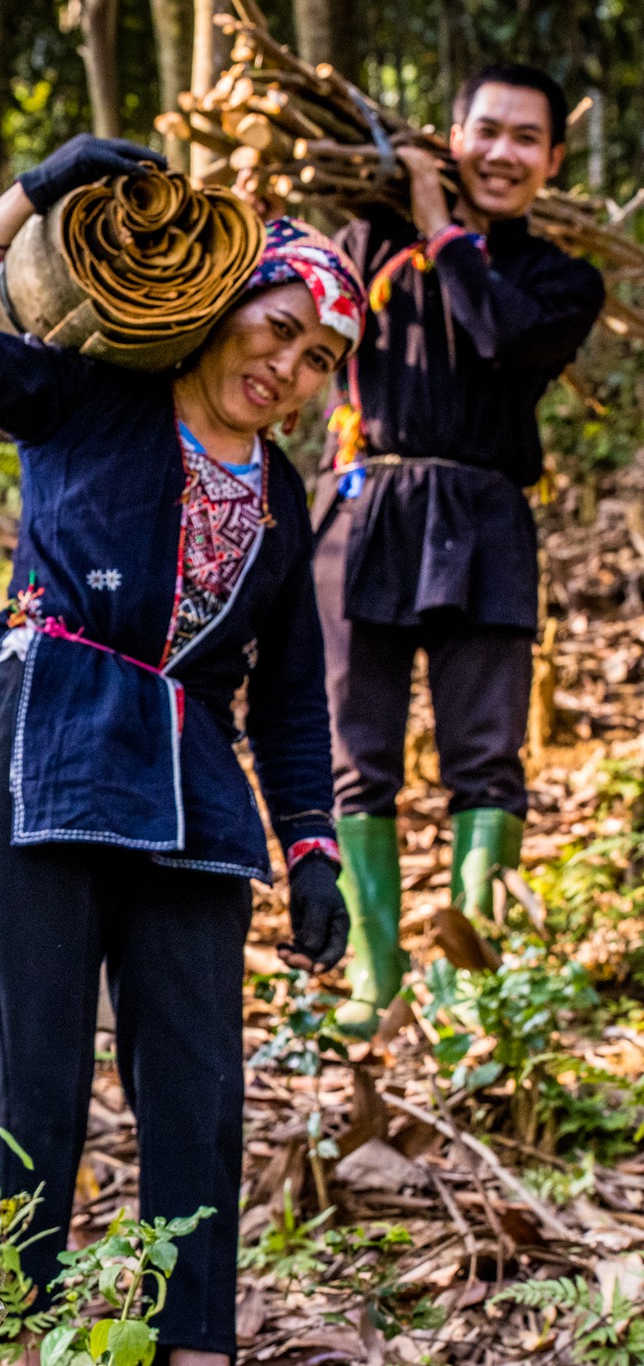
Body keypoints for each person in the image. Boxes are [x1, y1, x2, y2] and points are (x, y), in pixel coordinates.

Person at [0, 135, 361, 1363]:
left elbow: (288, 696)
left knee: (198, 1087)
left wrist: (312, 849)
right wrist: (32, 191)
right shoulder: (89, 397)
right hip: (47, 737)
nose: (287, 366)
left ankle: (195, 1341)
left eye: (317, 359)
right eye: (276, 327)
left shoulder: (283, 496)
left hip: (193, 783)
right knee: (34, 1075)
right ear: (220, 309)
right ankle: (25, 1329)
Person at [313, 64, 605, 1036]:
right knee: (356, 754)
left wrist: (443, 226)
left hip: (486, 518)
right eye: (487, 130)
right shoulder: (365, 243)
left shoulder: (561, 280)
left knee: (486, 757)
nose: (502, 153)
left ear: (551, 160)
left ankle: (479, 987)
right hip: (366, 503)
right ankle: (374, 979)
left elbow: (497, 337)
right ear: (451, 136)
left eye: (526, 139)